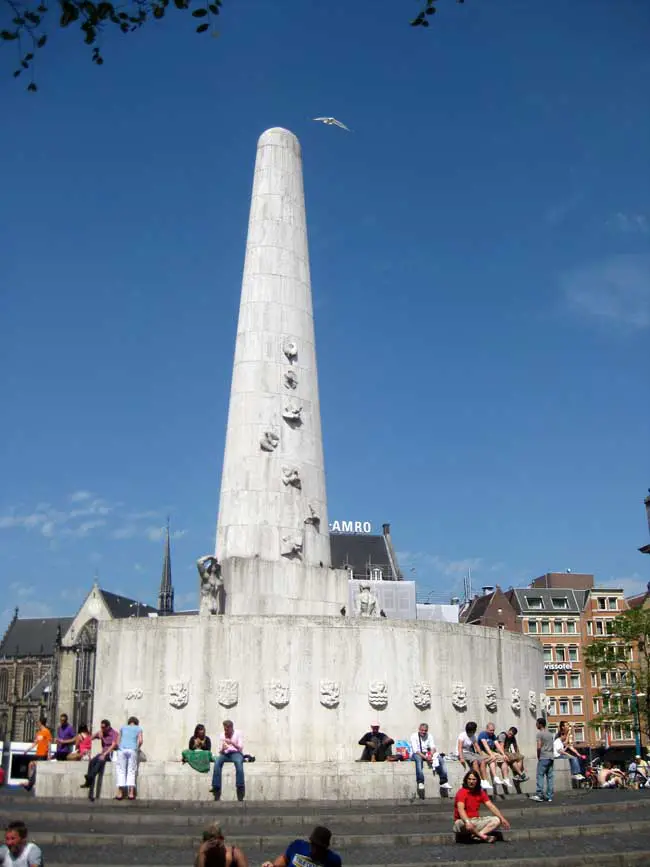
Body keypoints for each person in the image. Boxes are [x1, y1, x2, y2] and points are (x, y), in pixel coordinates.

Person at [453, 770, 511, 843]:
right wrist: (467, 821)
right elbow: (460, 809)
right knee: (461, 823)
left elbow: (490, 806)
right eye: (469, 779)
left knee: (497, 820)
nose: (471, 781)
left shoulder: (480, 792)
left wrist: (502, 818)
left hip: (475, 821)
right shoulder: (462, 792)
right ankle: (483, 836)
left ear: (477, 781)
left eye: (474, 779)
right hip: (462, 822)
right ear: (466, 780)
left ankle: (478, 835)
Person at [261, 826, 341, 867]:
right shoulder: (298, 846)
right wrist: (273, 866)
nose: (316, 849)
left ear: (326, 848)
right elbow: (285, 858)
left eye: (319, 847)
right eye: (314, 845)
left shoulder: (333, 860)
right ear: (310, 842)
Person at [80, 718, 118, 802]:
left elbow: (113, 745)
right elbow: (90, 739)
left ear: (108, 727)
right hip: (103, 753)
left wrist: (104, 754)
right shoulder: (102, 732)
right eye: (101, 727)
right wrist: (97, 734)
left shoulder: (114, 733)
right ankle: (89, 782)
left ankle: (89, 778)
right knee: (92, 761)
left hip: (111, 753)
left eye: (104, 727)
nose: (102, 729)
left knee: (100, 760)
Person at [410, 722, 452, 797]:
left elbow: (433, 747)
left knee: (440, 758)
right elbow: (416, 750)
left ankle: (443, 781)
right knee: (419, 760)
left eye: (425, 730)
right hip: (417, 754)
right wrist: (426, 757)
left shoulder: (429, 736)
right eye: (422, 730)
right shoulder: (414, 736)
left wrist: (431, 755)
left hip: (427, 753)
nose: (424, 732)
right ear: (419, 729)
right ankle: (420, 782)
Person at [211, 720, 245, 802]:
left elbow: (240, 748)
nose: (225, 731)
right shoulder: (222, 735)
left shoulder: (238, 733)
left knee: (239, 763)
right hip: (225, 754)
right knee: (217, 762)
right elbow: (220, 751)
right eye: (224, 729)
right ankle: (216, 786)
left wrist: (232, 743)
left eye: (227, 729)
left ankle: (240, 785)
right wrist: (223, 748)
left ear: (231, 728)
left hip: (236, 753)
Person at [115, 716, 143, 801]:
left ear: (129, 722)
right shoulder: (139, 728)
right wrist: (137, 748)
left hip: (122, 750)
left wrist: (120, 748)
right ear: (136, 723)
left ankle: (120, 793)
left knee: (121, 770)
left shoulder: (122, 728)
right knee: (131, 771)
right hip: (132, 750)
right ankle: (131, 793)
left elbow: (117, 740)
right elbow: (140, 740)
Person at [477, 722, 511, 788]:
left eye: (493, 730)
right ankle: (495, 777)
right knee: (493, 759)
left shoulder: (493, 735)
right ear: (486, 729)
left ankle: (506, 779)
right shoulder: (482, 734)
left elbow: (497, 745)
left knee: (503, 759)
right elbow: (485, 746)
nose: (492, 732)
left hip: (491, 751)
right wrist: (491, 754)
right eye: (490, 730)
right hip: (482, 751)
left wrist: (503, 754)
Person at [22, 718, 52, 792]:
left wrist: (49, 754)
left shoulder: (47, 732)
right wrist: (27, 750)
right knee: (31, 765)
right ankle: (30, 783)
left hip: (43, 754)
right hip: (38, 754)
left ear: (41, 723)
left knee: (34, 767)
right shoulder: (39, 733)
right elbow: (35, 743)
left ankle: (29, 785)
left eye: (38, 722)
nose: (37, 724)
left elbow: (49, 744)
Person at [531, 717, 554, 802]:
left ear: (540, 724)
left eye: (537, 723)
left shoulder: (539, 734)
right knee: (550, 777)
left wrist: (538, 756)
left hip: (543, 757)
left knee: (540, 776)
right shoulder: (550, 734)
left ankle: (539, 794)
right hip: (551, 757)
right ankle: (549, 796)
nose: (536, 725)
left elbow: (539, 746)